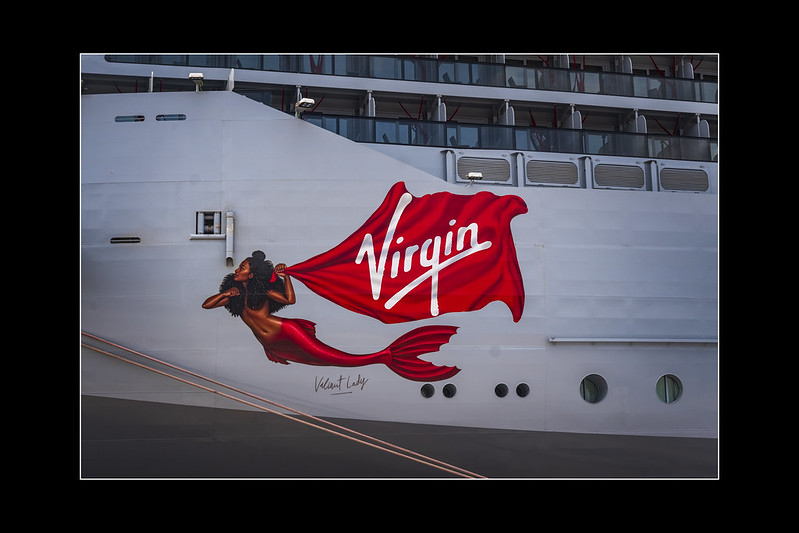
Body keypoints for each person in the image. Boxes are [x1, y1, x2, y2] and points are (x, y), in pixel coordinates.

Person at [202, 250, 460, 381]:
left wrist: (286, 276)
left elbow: (290, 300)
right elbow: (207, 305)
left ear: (252, 274)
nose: (237, 270)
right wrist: (228, 292)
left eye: (242, 267)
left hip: (287, 334)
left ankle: (385, 356)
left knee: (326, 357)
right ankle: (385, 357)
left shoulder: (265, 292)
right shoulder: (236, 296)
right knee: (322, 361)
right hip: (272, 345)